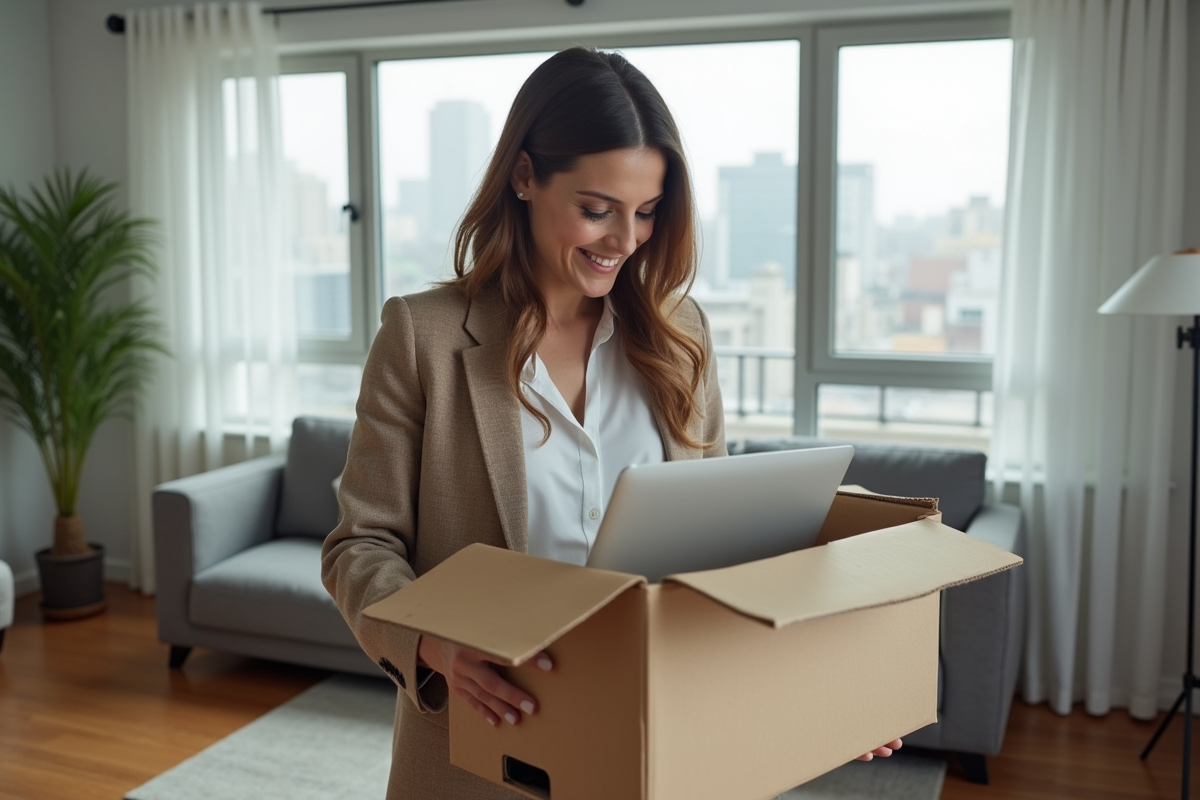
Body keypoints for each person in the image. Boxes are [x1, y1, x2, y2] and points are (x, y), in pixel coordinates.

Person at [322, 46, 899, 800]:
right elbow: (359, 544)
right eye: (596, 209)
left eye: (647, 212)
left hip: (658, 740)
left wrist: (825, 687)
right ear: (524, 176)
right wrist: (433, 645)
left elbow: (730, 557)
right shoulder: (422, 336)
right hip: (483, 744)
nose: (625, 241)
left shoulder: (680, 337)